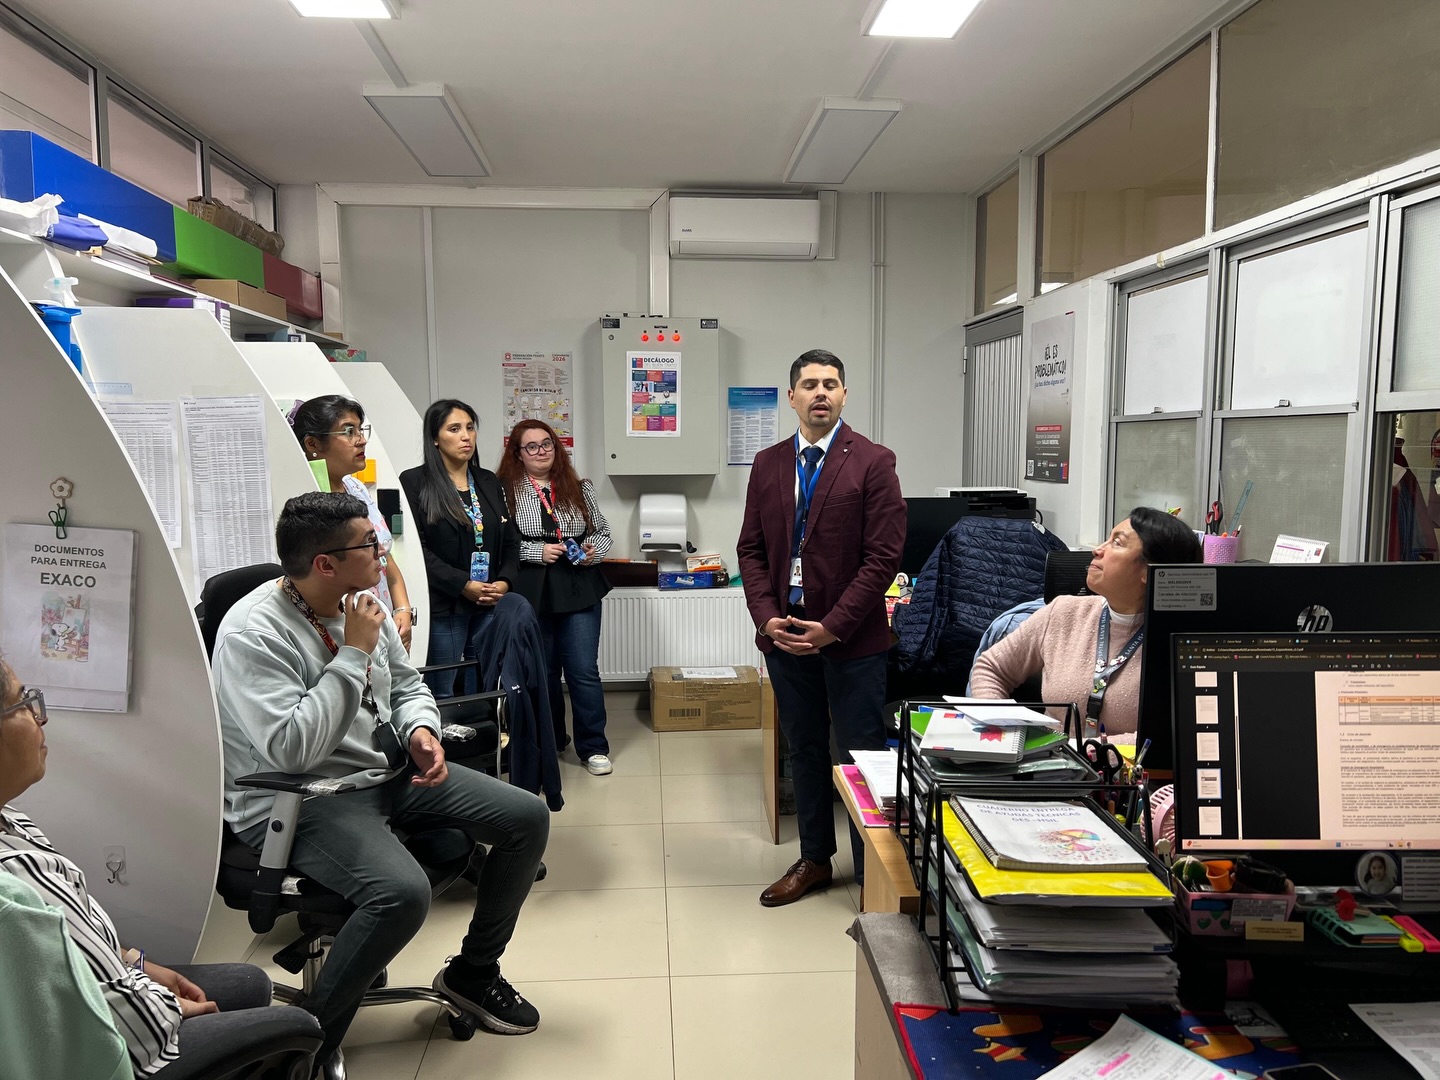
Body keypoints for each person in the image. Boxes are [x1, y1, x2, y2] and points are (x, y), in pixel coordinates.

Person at [211, 491, 550, 1068]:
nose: (382, 553)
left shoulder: (360, 602)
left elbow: (408, 685)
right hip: (300, 799)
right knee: (402, 893)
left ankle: (472, 974)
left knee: (527, 818)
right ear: (325, 564)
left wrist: (420, 730)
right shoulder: (254, 633)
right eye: (370, 544)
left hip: (385, 770)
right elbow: (292, 751)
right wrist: (352, 653)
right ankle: (301, 1047)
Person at [0, 657, 315, 1078]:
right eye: (22, 703)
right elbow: (124, 1022)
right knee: (298, 1026)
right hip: (116, 1053)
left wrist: (138, 963)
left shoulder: (11, 821)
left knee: (250, 983)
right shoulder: (15, 879)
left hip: (103, 997)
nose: (41, 716)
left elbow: (75, 947)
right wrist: (171, 1007)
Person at [736, 349, 906, 907]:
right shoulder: (768, 464)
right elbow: (751, 549)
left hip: (851, 639)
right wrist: (767, 618)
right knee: (805, 749)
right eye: (809, 384)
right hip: (786, 634)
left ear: (844, 394)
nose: (820, 393)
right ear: (792, 397)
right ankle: (814, 859)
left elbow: (883, 558)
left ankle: (871, 869)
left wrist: (832, 627)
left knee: (861, 754)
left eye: (831, 384)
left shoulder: (873, 461)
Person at [969, 507, 1203, 737]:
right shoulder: (1064, 612)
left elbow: (1179, 733)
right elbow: (991, 668)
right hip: (1049, 759)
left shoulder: (1184, 643)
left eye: (1117, 543)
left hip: (1126, 763)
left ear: (1150, 571)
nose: (1098, 550)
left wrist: (1090, 753)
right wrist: (1004, 729)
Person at [495, 420, 614, 776]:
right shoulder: (503, 490)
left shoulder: (579, 487)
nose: (541, 451)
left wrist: (593, 552)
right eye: (531, 446)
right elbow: (502, 544)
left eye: (546, 443)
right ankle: (551, 740)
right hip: (532, 589)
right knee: (542, 672)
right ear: (518, 454)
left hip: (578, 583)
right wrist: (536, 552)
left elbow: (602, 531)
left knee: (583, 670)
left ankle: (593, 747)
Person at [399, 400, 520, 698]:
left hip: (488, 601)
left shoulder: (488, 480)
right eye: (454, 429)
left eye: (470, 428)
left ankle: (481, 730)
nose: (466, 436)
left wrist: (504, 582)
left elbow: (510, 541)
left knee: (485, 685)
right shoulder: (414, 481)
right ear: (435, 438)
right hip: (446, 604)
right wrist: (463, 584)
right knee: (443, 690)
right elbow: (417, 551)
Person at [289, 394, 415, 650]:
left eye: (360, 430)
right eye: (348, 431)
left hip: (382, 618)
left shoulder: (355, 488)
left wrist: (402, 609)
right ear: (313, 443)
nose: (361, 440)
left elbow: (385, 558)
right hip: (342, 630)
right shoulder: (305, 503)